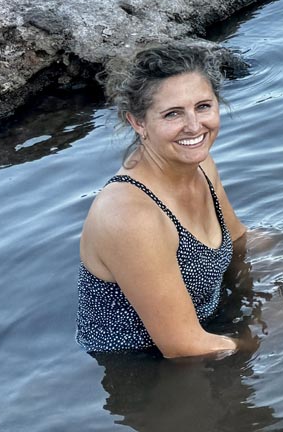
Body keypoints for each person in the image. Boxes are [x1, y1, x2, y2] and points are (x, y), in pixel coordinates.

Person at [77, 41, 252, 358]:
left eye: (203, 106)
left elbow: (238, 240)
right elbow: (184, 347)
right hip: (145, 368)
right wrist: (279, 334)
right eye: (173, 114)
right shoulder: (130, 216)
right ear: (137, 122)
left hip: (210, 322)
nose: (194, 126)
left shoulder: (201, 165)